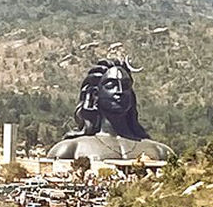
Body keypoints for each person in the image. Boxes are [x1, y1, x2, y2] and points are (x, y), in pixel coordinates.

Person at [46, 59, 175, 161]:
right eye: (111, 85)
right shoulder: (69, 150)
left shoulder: (161, 151)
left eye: (125, 86)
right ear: (95, 94)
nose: (119, 91)